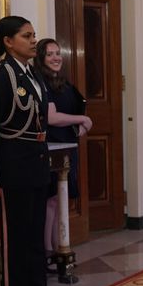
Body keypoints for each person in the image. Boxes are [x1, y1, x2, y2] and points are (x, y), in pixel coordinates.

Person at [0, 16, 63, 286]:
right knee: (19, 240)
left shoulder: (32, 73)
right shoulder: (0, 74)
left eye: (34, 35)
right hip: (15, 164)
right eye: (26, 35)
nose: (34, 40)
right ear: (8, 41)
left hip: (36, 161)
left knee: (35, 238)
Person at [34, 38, 93, 255]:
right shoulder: (41, 82)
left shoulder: (63, 82)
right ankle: (49, 251)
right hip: (52, 147)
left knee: (60, 201)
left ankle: (59, 247)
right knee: (51, 201)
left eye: (57, 53)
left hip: (67, 145)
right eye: (49, 54)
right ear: (40, 58)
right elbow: (51, 116)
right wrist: (81, 120)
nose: (56, 58)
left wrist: (80, 125)